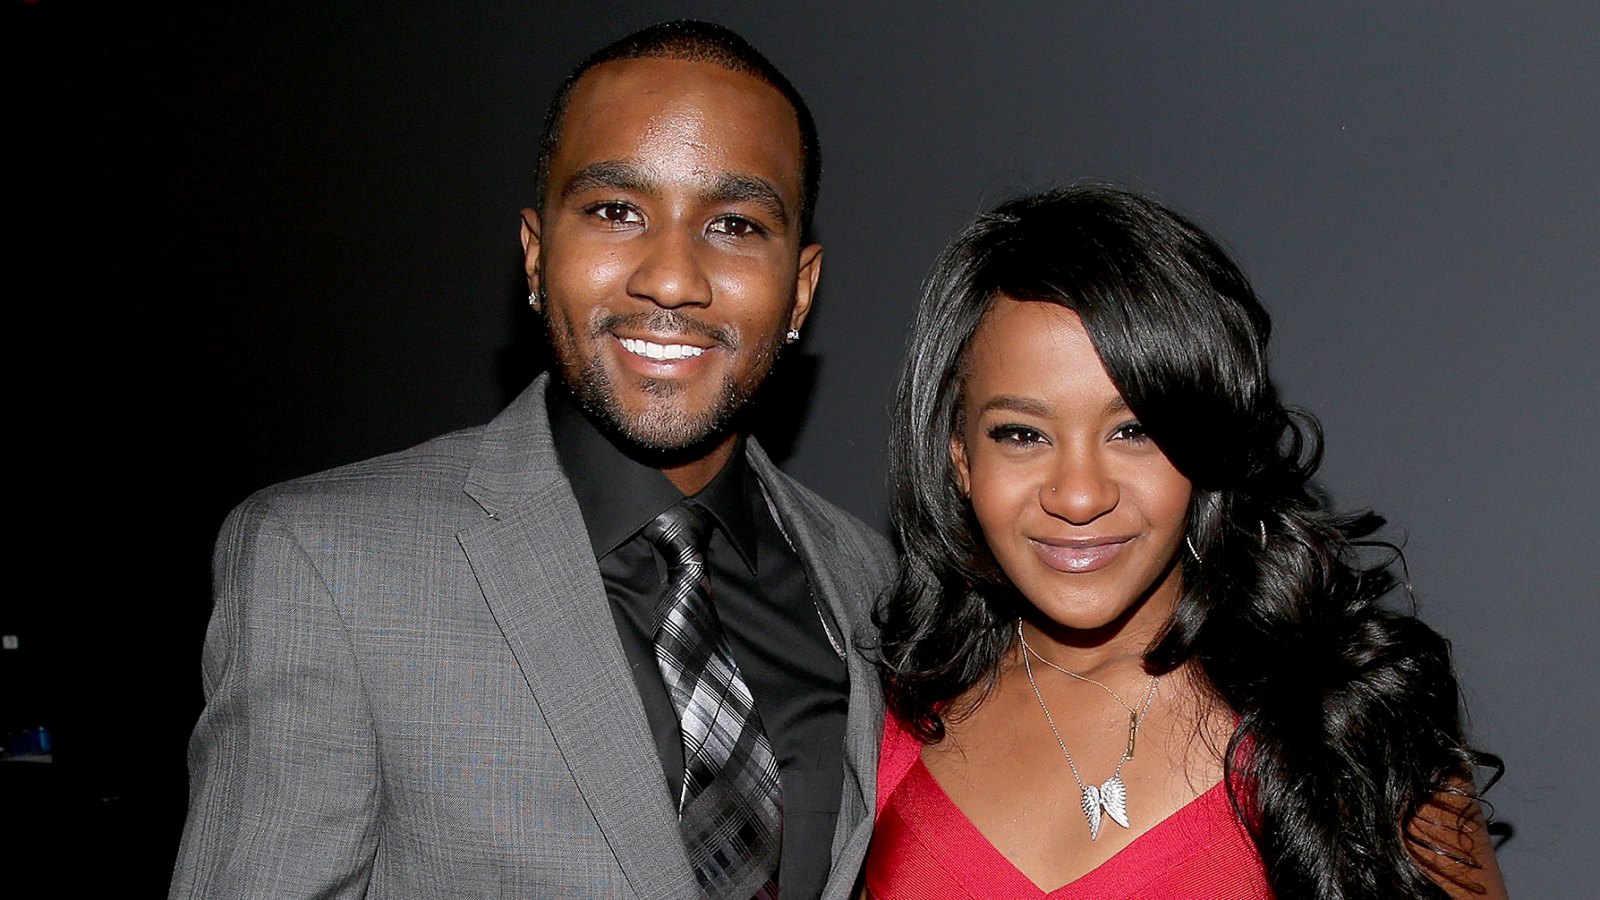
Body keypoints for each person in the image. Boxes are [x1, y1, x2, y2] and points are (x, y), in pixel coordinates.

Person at [170, 20, 894, 900]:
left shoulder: (868, 583)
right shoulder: (324, 563)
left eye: (735, 224)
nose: (671, 278)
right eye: (616, 212)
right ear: (536, 254)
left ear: (801, 290)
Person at [867, 185, 1505, 898]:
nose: (1079, 495)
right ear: (959, 456)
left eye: (1133, 431)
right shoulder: (874, 736)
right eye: (1022, 434)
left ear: (1204, 447)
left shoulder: (1351, 727)